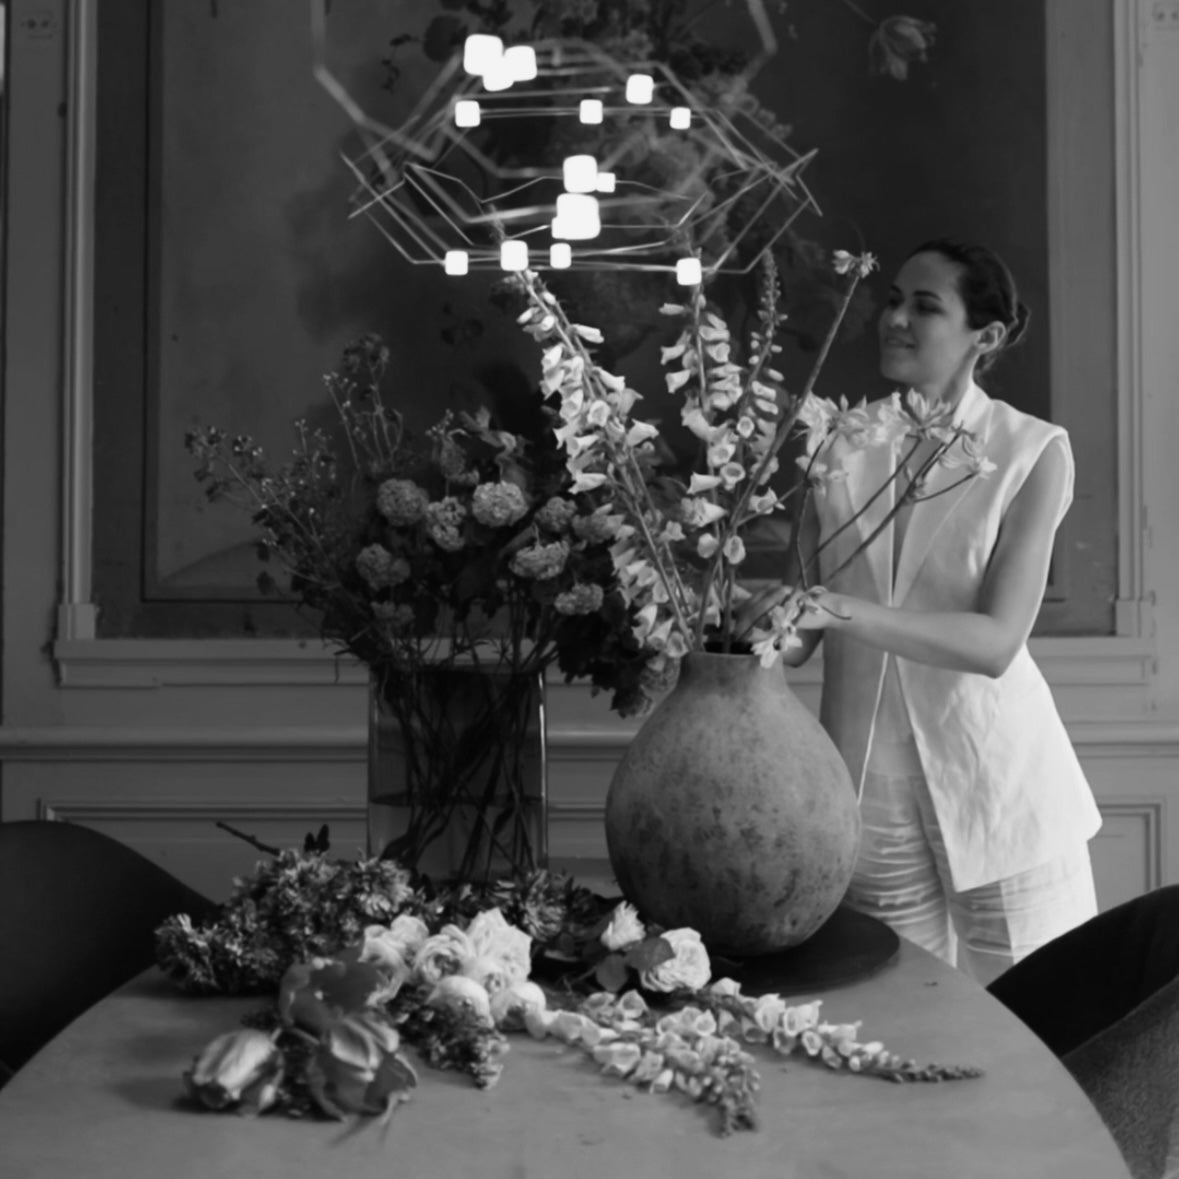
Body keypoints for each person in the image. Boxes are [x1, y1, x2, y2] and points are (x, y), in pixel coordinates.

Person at [783, 238, 1102, 986]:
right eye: (893, 299)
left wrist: (840, 609)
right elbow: (796, 633)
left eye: (924, 306)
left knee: (1043, 1016)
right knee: (898, 1018)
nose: (894, 318)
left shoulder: (1031, 451)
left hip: (1000, 784)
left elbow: (995, 643)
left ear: (983, 336)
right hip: (865, 791)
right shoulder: (834, 441)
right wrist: (714, 615)